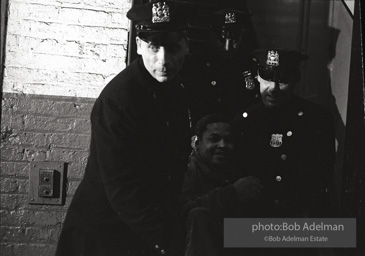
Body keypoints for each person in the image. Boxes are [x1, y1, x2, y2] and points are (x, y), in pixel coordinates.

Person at [56, 1, 196, 255]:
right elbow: (124, 190)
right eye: (154, 47)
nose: (163, 60)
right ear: (139, 46)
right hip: (105, 235)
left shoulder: (176, 90)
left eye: (174, 48)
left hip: (145, 229)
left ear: (186, 46)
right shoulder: (120, 99)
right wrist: (170, 240)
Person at [234, 49, 336, 218]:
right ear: (258, 77)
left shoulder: (317, 119)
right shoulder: (244, 120)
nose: (273, 88)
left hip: (299, 215)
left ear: (296, 80)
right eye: (267, 77)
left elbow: (322, 175)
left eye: (282, 80)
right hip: (254, 215)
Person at [181, 113, 263, 256]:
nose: (223, 145)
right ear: (197, 143)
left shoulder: (236, 170)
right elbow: (182, 213)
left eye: (229, 140)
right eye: (214, 139)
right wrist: (232, 194)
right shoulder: (187, 172)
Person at [182, 6, 260, 127]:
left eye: (234, 40)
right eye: (222, 39)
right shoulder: (194, 64)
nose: (228, 47)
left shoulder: (251, 64)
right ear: (211, 35)